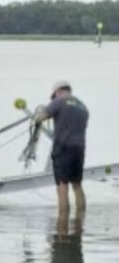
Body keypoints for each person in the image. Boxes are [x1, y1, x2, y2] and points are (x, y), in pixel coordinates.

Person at [34, 81, 89, 217]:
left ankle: (62, 226)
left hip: (63, 147)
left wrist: (38, 114)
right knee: (77, 185)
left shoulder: (59, 101)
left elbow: (40, 118)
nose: (54, 98)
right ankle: (80, 220)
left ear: (58, 92)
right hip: (79, 149)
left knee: (62, 186)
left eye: (54, 96)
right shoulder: (83, 107)